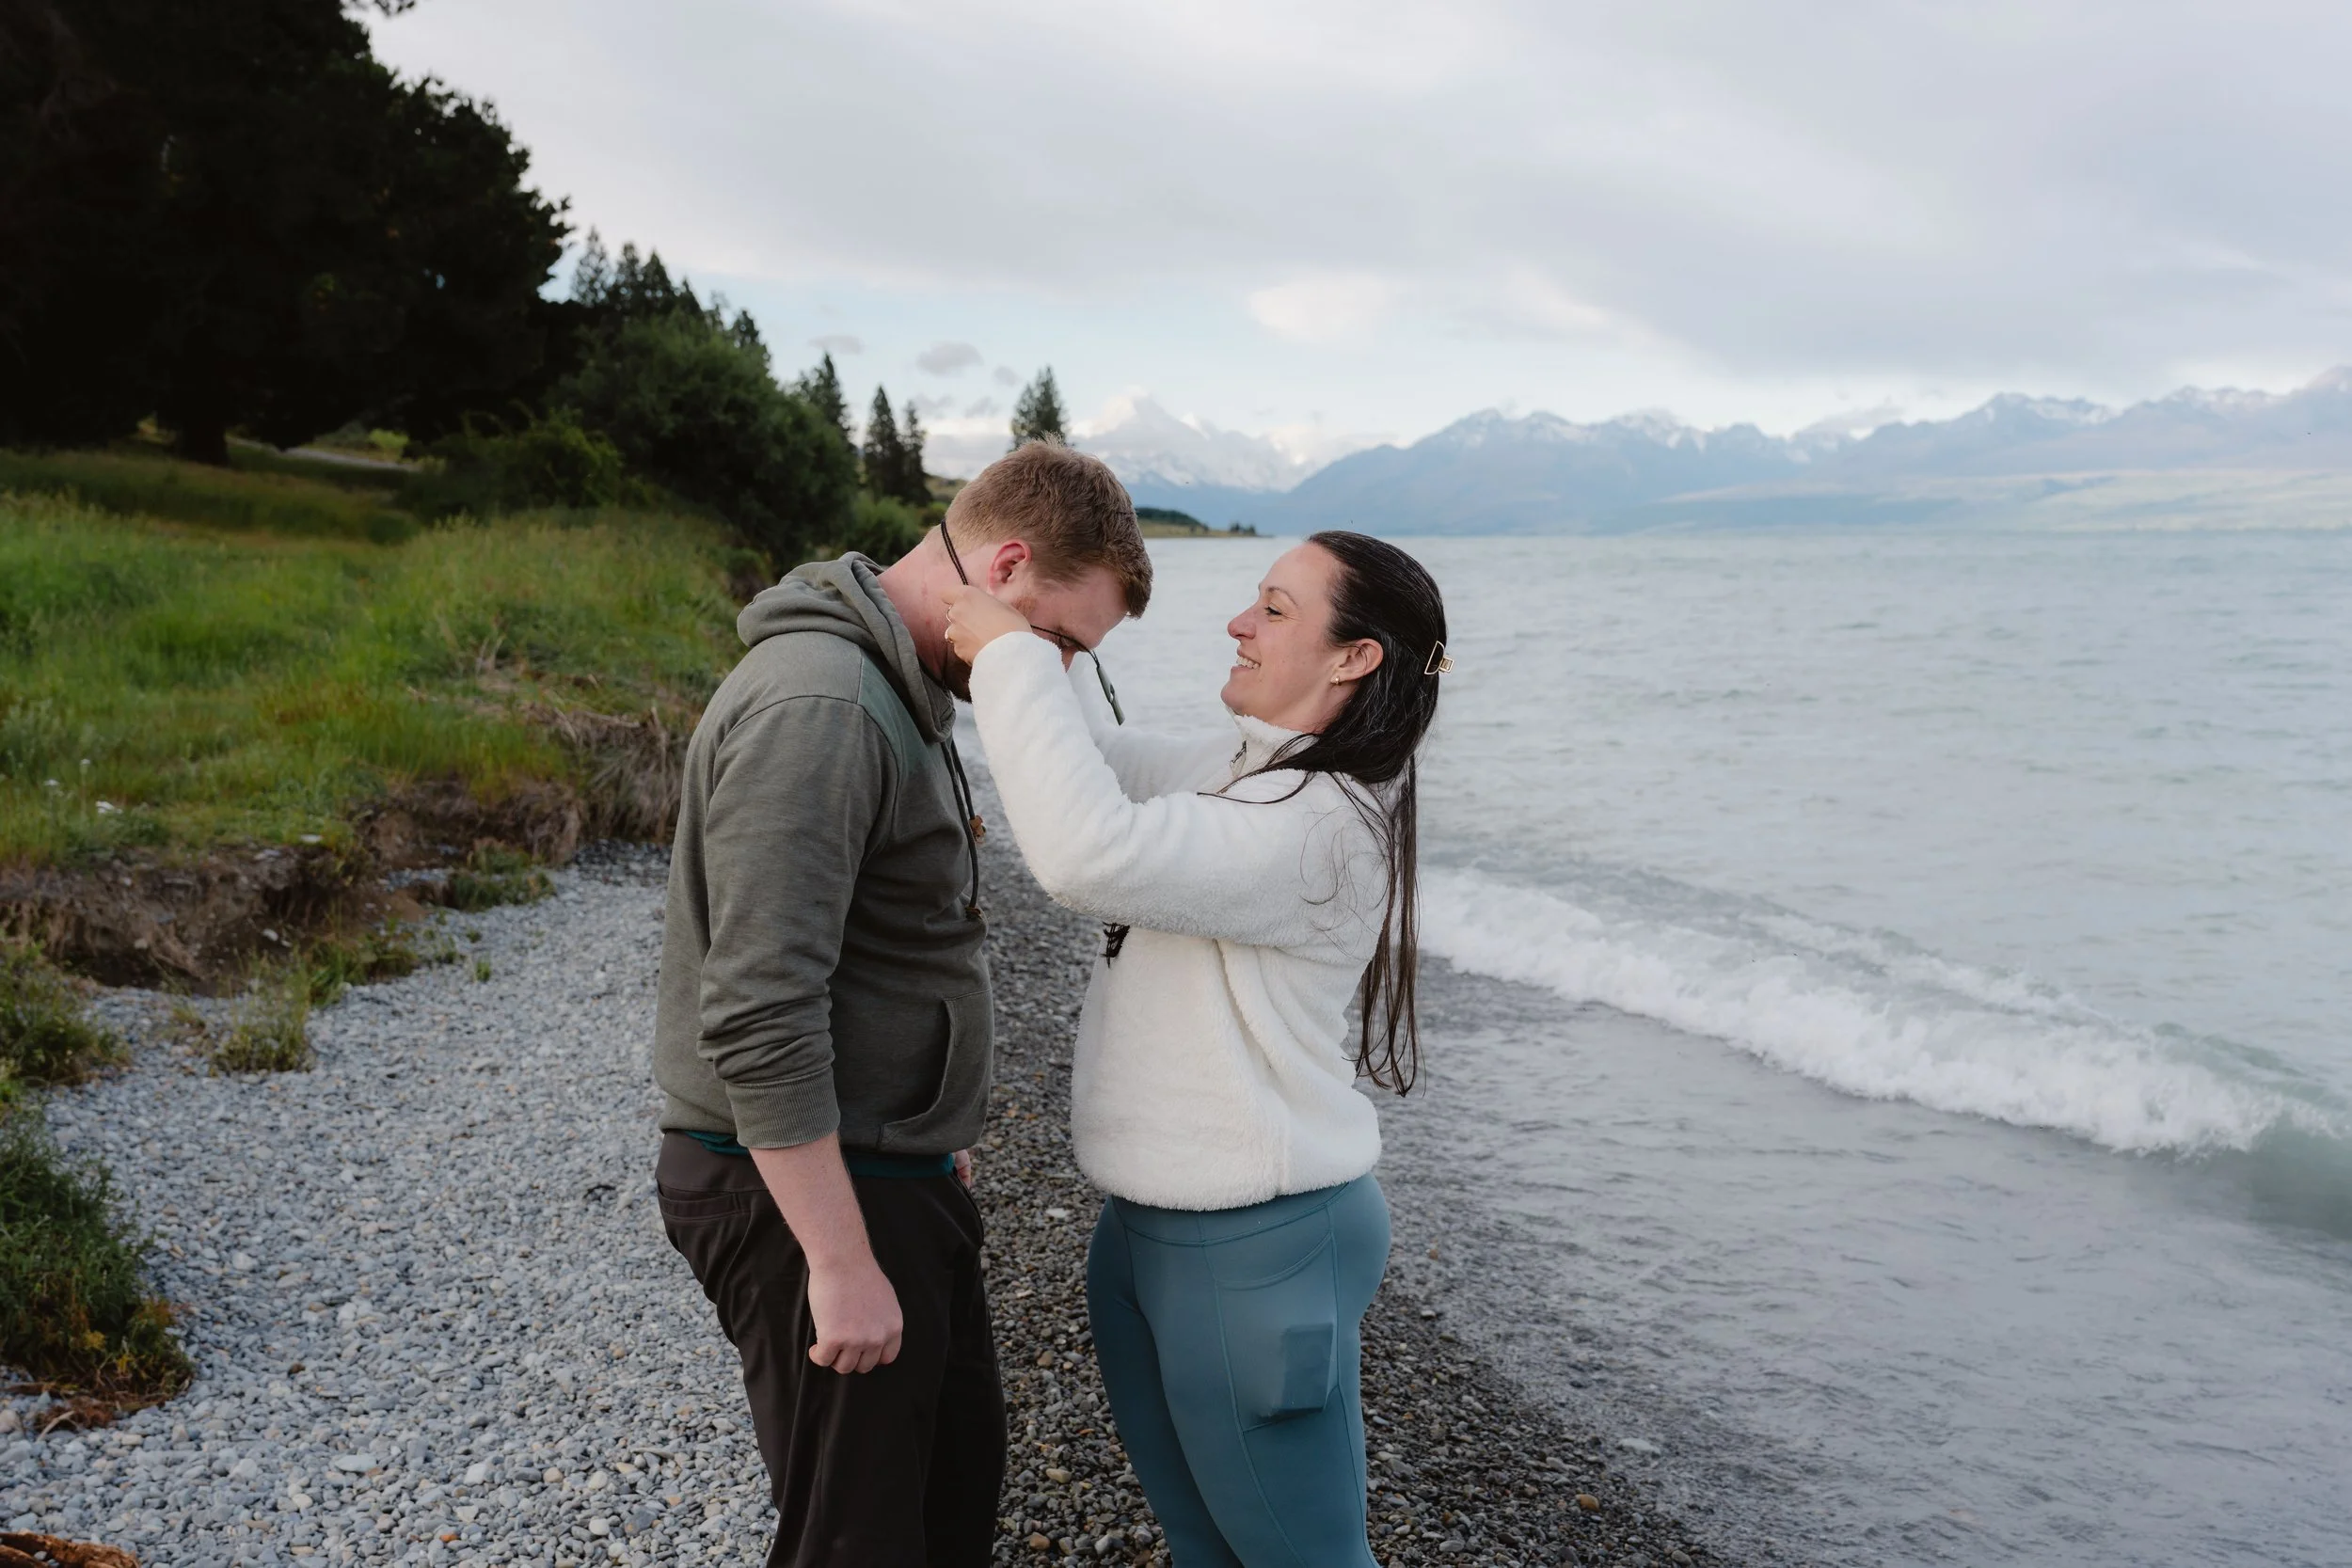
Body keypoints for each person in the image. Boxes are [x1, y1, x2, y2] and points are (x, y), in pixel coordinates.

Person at [651, 440, 1153, 1568]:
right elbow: (758, 1004)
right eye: (1061, 640)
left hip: (884, 1167)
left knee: (942, 1499)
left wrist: (925, 1128)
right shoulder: (824, 706)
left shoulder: (891, 684)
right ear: (1007, 563)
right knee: (862, 1540)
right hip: (805, 1192)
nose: (1059, 673)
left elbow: (880, 943)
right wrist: (836, 1257)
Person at [944, 531, 1450, 1568]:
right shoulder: (1247, 767)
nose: (1236, 622)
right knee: (1201, 1544)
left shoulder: (1320, 822)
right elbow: (1097, 769)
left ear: (1353, 656)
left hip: (1258, 1245)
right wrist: (1043, 630)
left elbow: (1088, 853)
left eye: (1272, 607)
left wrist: (1009, 657)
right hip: (1149, 1227)